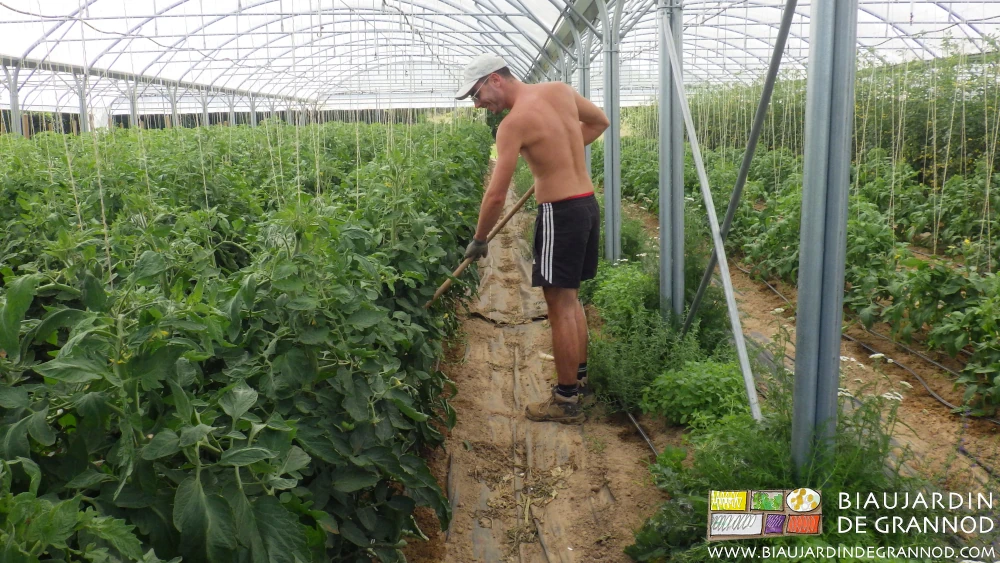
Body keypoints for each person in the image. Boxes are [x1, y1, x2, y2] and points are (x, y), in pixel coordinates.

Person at [456, 54, 610, 425]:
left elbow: (496, 194)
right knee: (571, 299)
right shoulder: (559, 91)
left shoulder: (512, 124)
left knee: (559, 306)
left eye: (476, 94)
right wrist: (558, 155)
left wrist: (480, 238)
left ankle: (565, 399)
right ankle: (579, 379)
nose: (477, 104)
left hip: (560, 214)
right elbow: (599, 122)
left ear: (495, 79)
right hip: (586, 206)